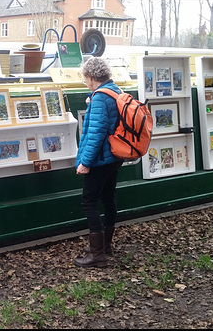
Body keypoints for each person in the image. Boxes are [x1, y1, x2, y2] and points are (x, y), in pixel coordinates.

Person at [74, 57, 124, 268]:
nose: (85, 82)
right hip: (115, 156)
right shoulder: (115, 91)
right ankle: (106, 244)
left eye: (85, 78)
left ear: (92, 77)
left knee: (89, 201)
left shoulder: (100, 98)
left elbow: (95, 134)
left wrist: (85, 162)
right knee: (109, 198)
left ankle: (97, 255)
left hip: (101, 159)